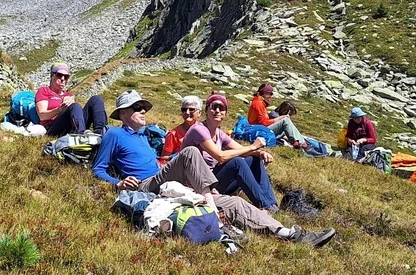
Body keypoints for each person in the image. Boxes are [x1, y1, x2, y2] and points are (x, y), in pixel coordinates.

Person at [93, 89, 335, 248]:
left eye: (143, 107)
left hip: (166, 181)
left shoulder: (143, 135)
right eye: (137, 108)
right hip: (148, 185)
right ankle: (215, 216)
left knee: (236, 203)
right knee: (191, 152)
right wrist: (119, 183)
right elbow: (99, 169)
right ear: (123, 114)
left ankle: (290, 234)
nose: (143, 111)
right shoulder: (114, 134)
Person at [183, 94, 278, 211]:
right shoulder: (199, 129)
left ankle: (272, 204)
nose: (217, 111)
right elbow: (220, 156)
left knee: (253, 159)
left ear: (225, 114)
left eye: (221, 108)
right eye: (214, 107)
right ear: (206, 111)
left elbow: (240, 150)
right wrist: (252, 147)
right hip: (198, 184)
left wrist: (259, 153)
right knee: (237, 162)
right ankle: (264, 205)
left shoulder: (219, 133)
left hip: (212, 181)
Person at [35, 63, 107, 137]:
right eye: (59, 75)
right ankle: (80, 136)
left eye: (66, 77)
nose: (63, 79)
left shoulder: (68, 95)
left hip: (70, 125)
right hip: (52, 128)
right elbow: (42, 116)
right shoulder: (44, 91)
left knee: (96, 99)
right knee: (75, 106)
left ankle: (101, 134)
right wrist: (59, 110)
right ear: (52, 76)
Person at [248, 83, 307, 148]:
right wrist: (281, 117)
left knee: (287, 129)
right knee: (285, 120)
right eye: (270, 94)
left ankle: (299, 142)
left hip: (258, 130)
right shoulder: (258, 104)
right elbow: (264, 123)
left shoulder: (259, 102)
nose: (271, 96)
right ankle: (301, 143)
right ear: (264, 94)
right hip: (258, 131)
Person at [160, 95, 201, 167]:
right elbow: (163, 158)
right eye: (184, 110)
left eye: (191, 109)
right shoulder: (173, 134)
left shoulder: (205, 130)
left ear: (199, 113)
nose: (187, 112)